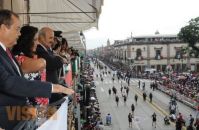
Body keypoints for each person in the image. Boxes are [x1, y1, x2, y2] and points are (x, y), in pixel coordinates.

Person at [0, 9, 74, 130]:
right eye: (17, 29)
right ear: (3, 28)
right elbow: (8, 83)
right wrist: (54, 87)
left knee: (56, 113)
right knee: (54, 115)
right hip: (11, 116)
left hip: (22, 112)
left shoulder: (7, 51)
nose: (19, 34)